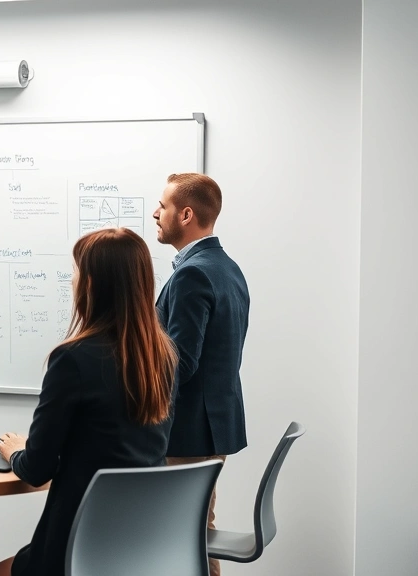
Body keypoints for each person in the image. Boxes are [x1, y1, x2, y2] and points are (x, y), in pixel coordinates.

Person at [0, 228, 177, 576]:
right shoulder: (162, 357)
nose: (73, 282)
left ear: (90, 284)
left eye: (75, 273)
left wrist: (15, 450)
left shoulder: (72, 359)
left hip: (75, 549)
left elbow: (35, 470)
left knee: (0, 572)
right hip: (141, 550)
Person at [152, 172, 250, 576]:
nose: (156, 213)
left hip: (187, 433)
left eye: (164, 206)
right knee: (195, 533)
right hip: (212, 429)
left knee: (177, 538)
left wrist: (143, 419)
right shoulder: (228, 268)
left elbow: (181, 362)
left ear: (186, 214)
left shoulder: (193, 274)